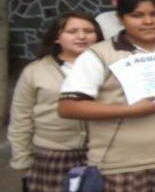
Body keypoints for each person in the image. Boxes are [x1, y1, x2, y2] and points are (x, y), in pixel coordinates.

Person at [58, 0, 155, 191]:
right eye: (137, 15)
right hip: (118, 165)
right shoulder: (98, 55)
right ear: (121, 19)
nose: (148, 21)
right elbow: (67, 107)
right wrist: (130, 111)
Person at [8, 12, 103, 192]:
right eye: (72, 31)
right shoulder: (35, 71)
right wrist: (21, 158)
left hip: (99, 153)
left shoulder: (107, 68)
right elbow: (21, 117)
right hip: (52, 154)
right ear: (57, 37)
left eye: (89, 31)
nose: (82, 36)